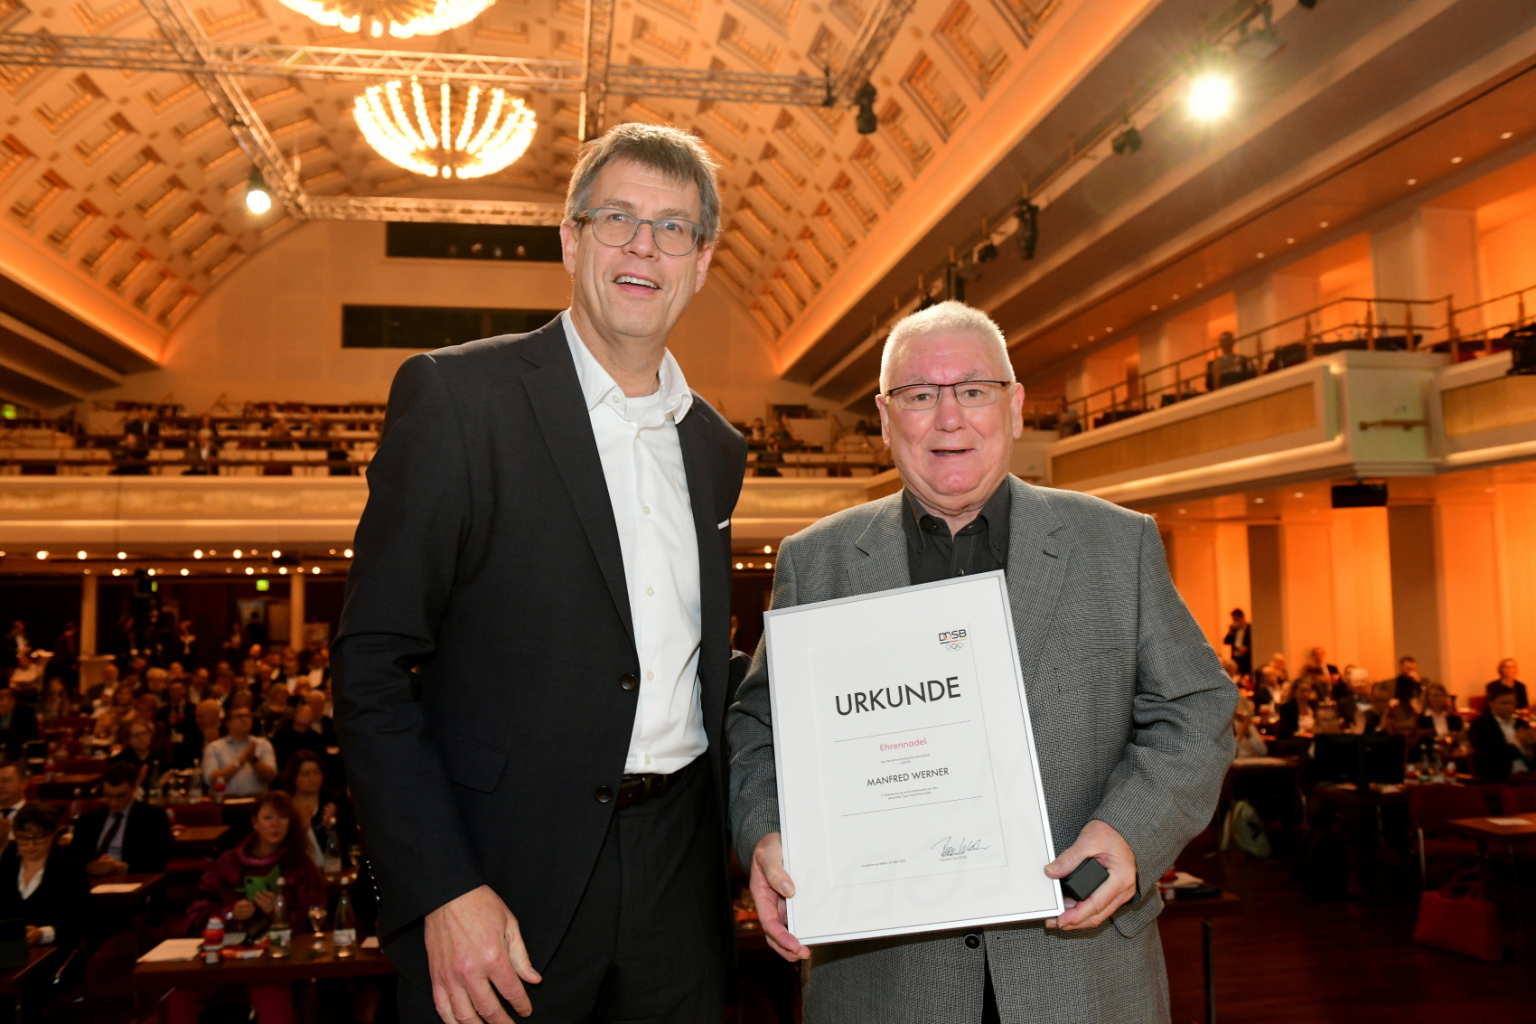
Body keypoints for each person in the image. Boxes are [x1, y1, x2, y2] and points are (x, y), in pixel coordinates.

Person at [335, 122, 747, 1024]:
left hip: (681, 876)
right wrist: (441, 885)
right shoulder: (457, 398)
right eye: (618, 219)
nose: (644, 246)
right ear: (570, 240)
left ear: (701, 262)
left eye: (673, 228)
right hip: (502, 875)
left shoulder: (716, 445)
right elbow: (371, 665)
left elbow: (687, 661)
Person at [727, 301, 1235, 1023]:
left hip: (1080, 972)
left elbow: (1196, 708)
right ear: (885, 418)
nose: (949, 418)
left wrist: (1129, 830)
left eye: (973, 390)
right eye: (919, 395)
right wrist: (766, 831)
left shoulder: (1117, 544)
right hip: (885, 983)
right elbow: (759, 729)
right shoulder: (818, 561)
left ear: (1015, 407)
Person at [172, 792, 326, 1024]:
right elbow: (195, 914)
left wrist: (279, 913)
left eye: (283, 818)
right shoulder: (228, 863)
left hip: (277, 960)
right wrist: (229, 913)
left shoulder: (301, 866)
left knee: (270, 991)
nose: (275, 824)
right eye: (268, 818)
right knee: (179, 993)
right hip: (226, 957)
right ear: (254, 823)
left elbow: (316, 919)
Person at [0, 803, 89, 951]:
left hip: (57, 952)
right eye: (23, 838)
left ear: (52, 834)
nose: (31, 845)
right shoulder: (6, 868)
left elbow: (82, 921)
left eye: (39, 838)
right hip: (11, 952)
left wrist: (42, 934)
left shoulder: (69, 868)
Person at [70, 761, 173, 876]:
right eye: (108, 796)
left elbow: (158, 863)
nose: (114, 803)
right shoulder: (88, 820)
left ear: (134, 787)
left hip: (133, 879)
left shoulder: (153, 817)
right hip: (93, 879)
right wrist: (90, 867)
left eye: (121, 796)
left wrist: (123, 868)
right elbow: (73, 860)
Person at [275, 750, 353, 869]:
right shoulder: (283, 806)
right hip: (294, 869)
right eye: (306, 774)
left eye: (317, 772)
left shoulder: (336, 801)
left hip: (333, 868)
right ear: (293, 776)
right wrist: (302, 828)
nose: (312, 778)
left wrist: (331, 828)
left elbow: (350, 843)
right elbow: (280, 848)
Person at [201, 706, 277, 796]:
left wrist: (253, 759)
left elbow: (271, 777)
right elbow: (211, 780)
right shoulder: (214, 747)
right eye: (239, 716)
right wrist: (240, 761)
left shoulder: (263, 744)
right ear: (228, 723)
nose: (244, 719)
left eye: (247, 716)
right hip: (224, 801)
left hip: (256, 801)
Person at [1469, 683, 1533, 782]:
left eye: (1512, 703)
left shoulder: (1521, 724)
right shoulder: (1480, 725)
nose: (1509, 707)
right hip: (1500, 778)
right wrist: (1519, 745)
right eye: (1504, 703)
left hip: (1528, 775)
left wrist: (1530, 751)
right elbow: (1490, 758)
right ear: (1491, 703)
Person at [0, 687, 39, 758]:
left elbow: (34, 736)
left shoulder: (26, 713)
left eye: (1, 698)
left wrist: (13, 740)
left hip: (19, 754)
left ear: (12, 701)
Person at [1276, 676, 1319, 740]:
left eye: (1309, 690)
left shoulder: (1313, 705)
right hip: (1296, 741)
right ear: (1294, 691)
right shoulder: (1287, 707)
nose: (1306, 694)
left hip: (1314, 738)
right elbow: (1285, 732)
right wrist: (1302, 733)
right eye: (1303, 690)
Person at [1223, 609, 1252, 680]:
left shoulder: (1250, 628)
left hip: (1246, 659)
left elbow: (1254, 643)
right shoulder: (1234, 630)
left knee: (1246, 677)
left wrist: (1247, 648)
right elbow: (1226, 642)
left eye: (1236, 619)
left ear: (1241, 618)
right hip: (1235, 657)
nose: (1234, 622)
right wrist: (1230, 631)